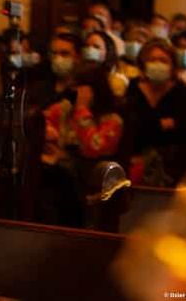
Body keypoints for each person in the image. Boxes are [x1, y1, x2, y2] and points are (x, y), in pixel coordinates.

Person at [38, 67, 123, 227]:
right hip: (61, 176)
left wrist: (83, 111)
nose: (74, 92)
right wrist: (48, 132)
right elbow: (41, 120)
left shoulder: (112, 120)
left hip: (90, 179)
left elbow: (93, 148)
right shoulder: (63, 110)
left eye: (79, 87)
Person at [121, 40, 186, 187]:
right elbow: (131, 128)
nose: (157, 64)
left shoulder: (183, 92)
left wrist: (148, 125)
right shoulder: (133, 88)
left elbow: (183, 130)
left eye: (163, 60)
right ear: (143, 64)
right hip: (136, 162)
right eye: (152, 60)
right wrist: (162, 124)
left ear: (172, 65)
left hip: (173, 166)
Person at [82, 31, 128, 97]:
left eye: (96, 47)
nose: (90, 50)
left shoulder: (116, 80)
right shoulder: (78, 75)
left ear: (108, 51)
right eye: (86, 46)